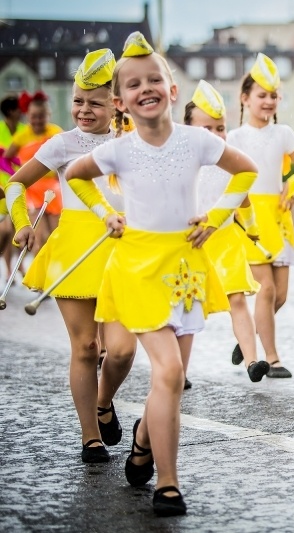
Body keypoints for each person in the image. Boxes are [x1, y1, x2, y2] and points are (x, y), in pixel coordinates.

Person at [64, 32, 257, 516]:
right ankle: (168, 485)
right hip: (136, 267)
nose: (145, 88)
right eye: (133, 84)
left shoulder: (197, 140)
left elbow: (247, 171)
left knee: (173, 377)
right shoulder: (120, 150)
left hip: (186, 267)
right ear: (121, 102)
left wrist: (217, 217)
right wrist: (106, 213)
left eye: (154, 79)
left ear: (172, 90)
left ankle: (144, 440)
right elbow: (75, 175)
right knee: (168, 370)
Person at [4, 49, 136, 463]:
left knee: (121, 350)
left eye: (94, 102)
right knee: (85, 347)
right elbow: (14, 184)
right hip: (73, 250)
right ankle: (90, 436)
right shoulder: (63, 143)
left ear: (116, 103)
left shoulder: (133, 138)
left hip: (123, 249)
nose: (83, 110)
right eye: (78, 101)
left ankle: (104, 401)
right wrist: (21, 224)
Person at [227, 53, 294, 378]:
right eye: (261, 95)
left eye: (273, 95)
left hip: (278, 216)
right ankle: (273, 359)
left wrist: (293, 185)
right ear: (245, 99)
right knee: (265, 289)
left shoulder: (283, 133)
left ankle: (248, 333)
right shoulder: (234, 138)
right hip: (249, 215)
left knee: (280, 295)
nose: (268, 101)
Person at [185, 80, 268, 383]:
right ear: (188, 129)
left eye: (220, 128)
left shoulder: (231, 161)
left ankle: (252, 361)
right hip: (192, 242)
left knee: (238, 300)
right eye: (206, 128)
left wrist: (253, 227)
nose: (215, 135)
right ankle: (178, 371)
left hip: (226, 239)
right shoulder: (181, 162)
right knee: (187, 306)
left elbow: (242, 199)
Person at [4, 92, 63, 254]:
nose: (37, 120)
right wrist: (17, 173)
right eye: (33, 117)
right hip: (31, 190)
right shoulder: (21, 136)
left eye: (41, 116)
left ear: (48, 115)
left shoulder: (56, 132)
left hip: (53, 189)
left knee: (56, 234)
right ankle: (40, 267)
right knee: (39, 236)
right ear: (27, 116)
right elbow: (5, 159)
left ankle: (56, 267)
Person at [0, 95, 22, 283]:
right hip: (2, 188)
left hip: (23, 185)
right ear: (10, 111)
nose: (22, 111)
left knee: (19, 228)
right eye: (18, 108)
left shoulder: (24, 130)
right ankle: (8, 270)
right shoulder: (0, 130)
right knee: (6, 230)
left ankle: (18, 266)